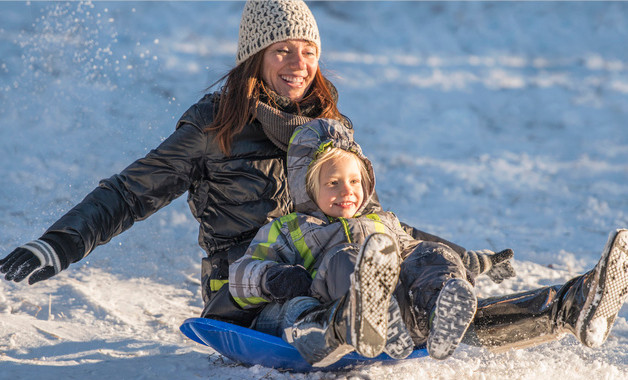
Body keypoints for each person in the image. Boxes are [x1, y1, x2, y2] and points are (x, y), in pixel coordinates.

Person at [0, 0, 481, 330]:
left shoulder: (329, 127)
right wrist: (57, 245)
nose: (298, 63)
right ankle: (346, 325)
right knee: (311, 299)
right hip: (248, 288)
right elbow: (129, 193)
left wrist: (455, 253)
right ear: (256, 57)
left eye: (308, 51)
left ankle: (475, 312)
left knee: (414, 273)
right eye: (283, 50)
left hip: (334, 267)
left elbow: (367, 215)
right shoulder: (215, 127)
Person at [229, 118, 515, 365]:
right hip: (338, 313)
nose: (347, 191)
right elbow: (240, 275)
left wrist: (463, 264)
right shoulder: (288, 229)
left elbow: (417, 252)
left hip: (404, 319)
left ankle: (437, 314)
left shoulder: (381, 221)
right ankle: (371, 317)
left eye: (355, 181)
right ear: (308, 188)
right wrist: (271, 278)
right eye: (333, 183)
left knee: (430, 252)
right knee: (346, 257)